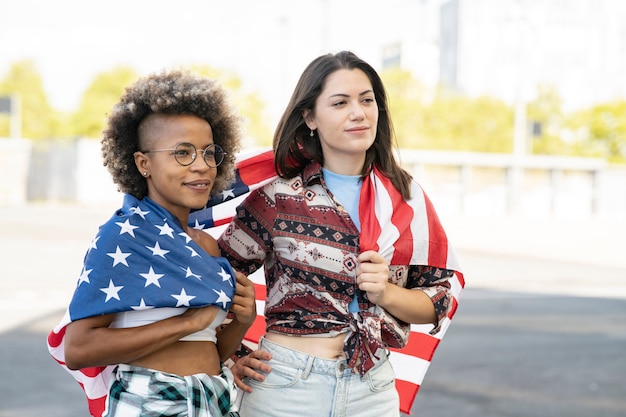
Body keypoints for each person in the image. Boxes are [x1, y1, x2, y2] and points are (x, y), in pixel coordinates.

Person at [217, 51, 462, 417]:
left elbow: (439, 300)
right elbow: (214, 279)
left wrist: (386, 292)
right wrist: (232, 357)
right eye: (340, 102)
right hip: (286, 387)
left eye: (367, 100)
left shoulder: (405, 197)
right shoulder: (278, 199)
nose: (358, 112)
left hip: (372, 390)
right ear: (310, 116)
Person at [48, 69, 256, 417]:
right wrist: (185, 323)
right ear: (143, 163)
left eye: (208, 153)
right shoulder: (124, 235)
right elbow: (79, 347)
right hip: (150, 401)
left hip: (213, 400)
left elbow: (211, 351)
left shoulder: (207, 246)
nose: (201, 167)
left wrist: (241, 322)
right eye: (182, 153)